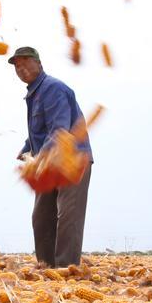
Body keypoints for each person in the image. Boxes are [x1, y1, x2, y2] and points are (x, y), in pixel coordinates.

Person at [10, 46, 92, 268]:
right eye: (17, 66)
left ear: (39, 63)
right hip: (48, 163)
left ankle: (66, 269)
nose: (21, 68)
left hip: (71, 160)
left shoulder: (53, 88)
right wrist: (27, 148)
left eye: (26, 62)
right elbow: (41, 129)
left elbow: (59, 130)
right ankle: (46, 268)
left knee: (68, 215)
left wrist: (39, 158)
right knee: (41, 218)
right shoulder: (33, 95)